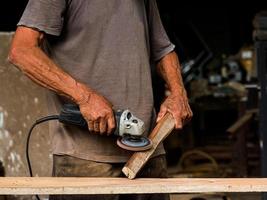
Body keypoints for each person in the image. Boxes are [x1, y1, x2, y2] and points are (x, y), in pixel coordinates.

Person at [8, 0, 193, 199]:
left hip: (149, 152)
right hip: (86, 159)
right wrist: (84, 97)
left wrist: (178, 93)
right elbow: (22, 51)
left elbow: (163, 49)